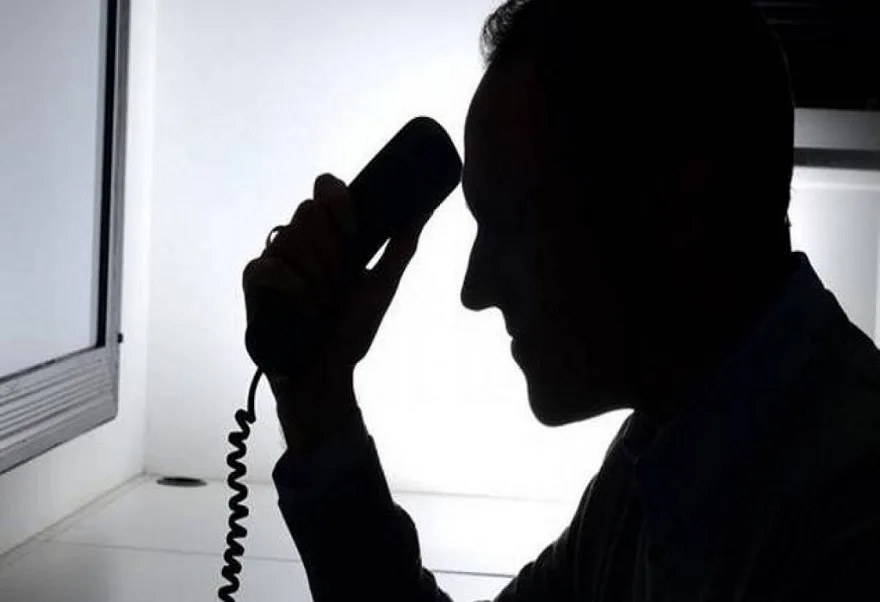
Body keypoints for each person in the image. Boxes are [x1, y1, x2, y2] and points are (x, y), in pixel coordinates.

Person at [242, 0, 880, 599]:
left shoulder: (850, 528)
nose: (474, 290)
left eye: (511, 225)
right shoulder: (660, 460)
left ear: (680, 206)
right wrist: (317, 403)